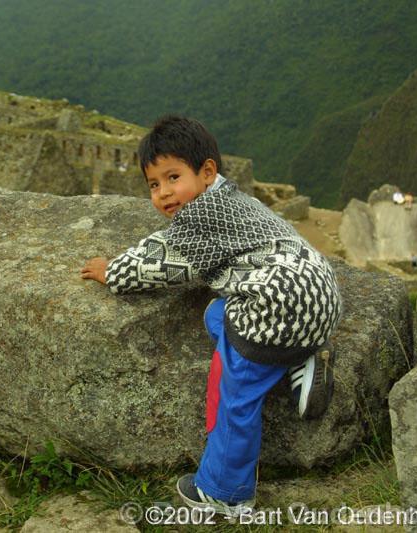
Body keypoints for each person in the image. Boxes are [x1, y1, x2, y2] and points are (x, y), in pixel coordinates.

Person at [80, 115, 342, 518]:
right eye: (154, 184)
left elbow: (160, 261)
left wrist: (111, 271)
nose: (164, 193)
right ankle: (303, 355)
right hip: (318, 298)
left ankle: (225, 491)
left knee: (238, 396)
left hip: (275, 306)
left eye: (173, 178)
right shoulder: (235, 201)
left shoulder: (199, 222)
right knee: (218, 314)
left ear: (206, 173)